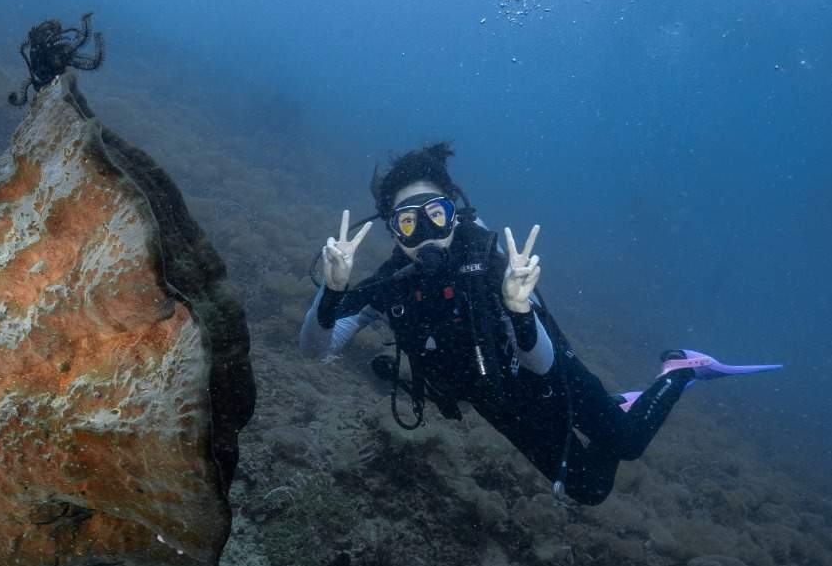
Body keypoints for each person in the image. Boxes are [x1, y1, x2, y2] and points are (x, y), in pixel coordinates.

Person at [299, 143, 781, 505]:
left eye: (436, 215)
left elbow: (543, 362)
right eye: (408, 223)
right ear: (392, 229)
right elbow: (315, 349)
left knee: (628, 441)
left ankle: (676, 370)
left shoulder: (493, 264)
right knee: (587, 490)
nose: (425, 234)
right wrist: (332, 292)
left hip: (547, 372)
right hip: (497, 398)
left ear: (454, 214)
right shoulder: (392, 284)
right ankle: (615, 406)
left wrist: (518, 308)